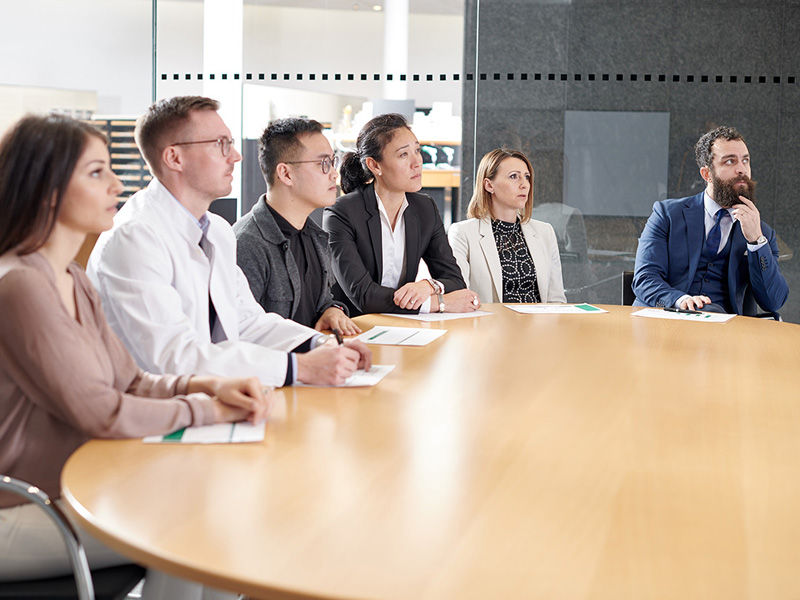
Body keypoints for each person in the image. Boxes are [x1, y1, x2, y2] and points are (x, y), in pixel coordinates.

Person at [0, 114, 269, 598]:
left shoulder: (72, 278)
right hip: (21, 509)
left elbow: (131, 381)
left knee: (213, 504)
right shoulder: (21, 286)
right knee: (193, 519)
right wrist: (209, 410)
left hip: (74, 489)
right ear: (46, 189)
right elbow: (102, 411)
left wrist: (203, 385)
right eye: (96, 171)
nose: (117, 183)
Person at [87, 96, 370, 387]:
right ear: (174, 158)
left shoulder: (217, 231)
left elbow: (247, 321)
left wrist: (320, 344)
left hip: (208, 401)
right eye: (221, 144)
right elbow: (173, 358)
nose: (236, 156)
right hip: (149, 418)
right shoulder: (134, 238)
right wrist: (299, 368)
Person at [322, 113, 479, 315]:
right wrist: (439, 303)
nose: (417, 162)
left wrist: (428, 286)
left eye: (417, 151)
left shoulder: (425, 208)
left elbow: (455, 280)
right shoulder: (341, 212)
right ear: (374, 165)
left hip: (404, 325)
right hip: (353, 325)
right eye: (403, 155)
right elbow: (364, 296)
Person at [633, 125, 788, 315]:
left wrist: (756, 242)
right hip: (665, 321)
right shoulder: (667, 214)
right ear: (707, 174)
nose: (741, 169)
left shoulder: (762, 233)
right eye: (730, 161)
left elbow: (773, 301)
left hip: (725, 332)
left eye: (745, 161)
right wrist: (681, 300)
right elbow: (644, 278)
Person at [234, 118, 359, 335]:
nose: (333, 173)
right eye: (323, 164)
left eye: (332, 161)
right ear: (286, 174)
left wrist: (332, 310)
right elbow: (240, 335)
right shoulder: (246, 243)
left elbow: (323, 302)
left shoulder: (315, 236)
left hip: (317, 359)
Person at [447, 148, 566, 304]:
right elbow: (460, 298)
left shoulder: (545, 231)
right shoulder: (463, 233)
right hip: (489, 326)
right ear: (489, 185)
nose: (524, 185)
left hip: (539, 326)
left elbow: (556, 299)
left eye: (527, 177)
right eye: (514, 177)